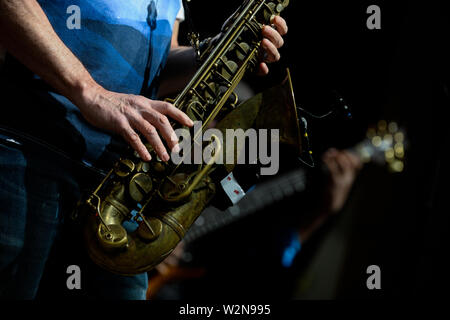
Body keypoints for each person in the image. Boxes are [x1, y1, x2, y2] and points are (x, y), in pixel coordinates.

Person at [0, 0, 287, 300]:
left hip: (118, 187)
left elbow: (158, 70)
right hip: (28, 148)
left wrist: (215, 53)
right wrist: (90, 91)